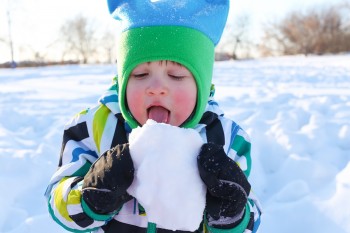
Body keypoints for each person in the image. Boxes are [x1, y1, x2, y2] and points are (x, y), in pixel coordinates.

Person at [45, 1, 262, 233]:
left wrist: (232, 214)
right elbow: (56, 201)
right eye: (140, 74)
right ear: (122, 82)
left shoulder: (227, 138)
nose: (157, 87)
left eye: (176, 75)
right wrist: (89, 197)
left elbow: (253, 217)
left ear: (201, 85)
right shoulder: (92, 129)